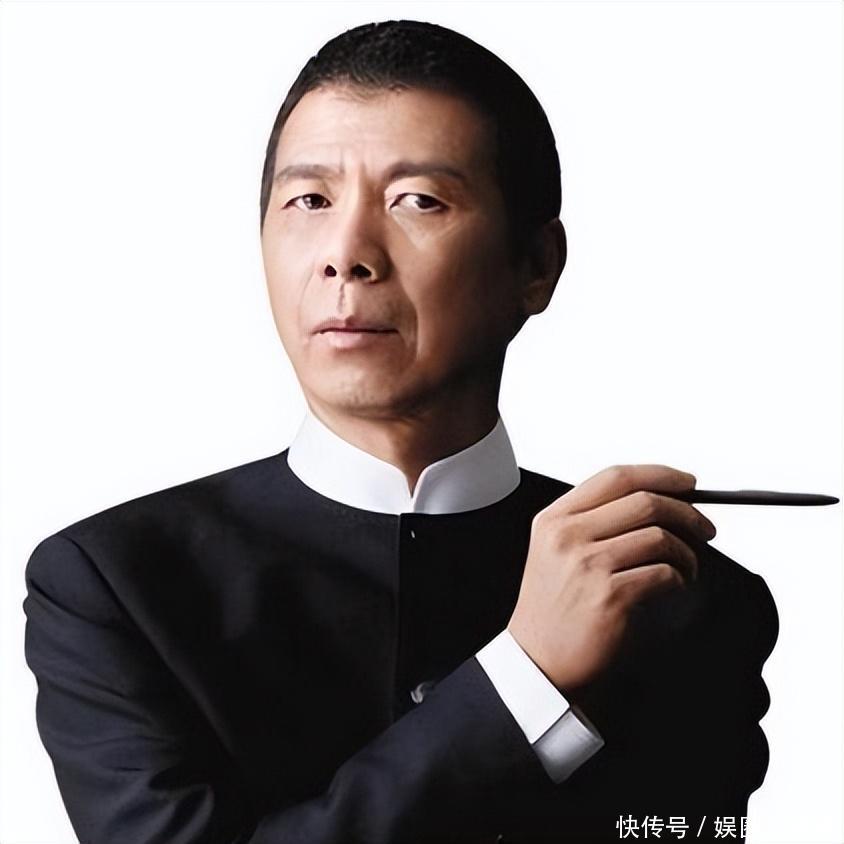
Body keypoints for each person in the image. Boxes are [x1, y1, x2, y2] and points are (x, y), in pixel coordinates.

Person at [22, 19, 777, 844]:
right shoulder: (115, 584)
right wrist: (526, 679)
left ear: (536, 266)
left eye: (418, 200)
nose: (346, 255)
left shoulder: (682, 599)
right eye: (310, 201)